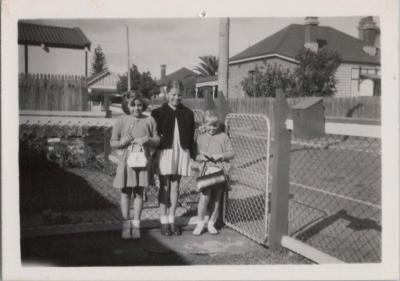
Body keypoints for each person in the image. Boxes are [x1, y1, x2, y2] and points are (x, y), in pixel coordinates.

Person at [110, 91, 160, 239]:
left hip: (142, 162)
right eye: (132, 105)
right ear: (127, 105)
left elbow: (157, 140)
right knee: (125, 192)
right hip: (126, 162)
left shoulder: (150, 120)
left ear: (143, 105)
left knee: (139, 193)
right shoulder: (121, 120)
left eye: (139, 105)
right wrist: (121, 143)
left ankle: (137, 224)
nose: (136, 108)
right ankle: (126, 224)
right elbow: (112, 142)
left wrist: (147, 139)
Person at [151, 80, 196, 236]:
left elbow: (191, 137)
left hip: (181, 151)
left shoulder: (188, 113)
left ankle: (172, 219)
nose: (176, 98)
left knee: (176, 186)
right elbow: (153, 136)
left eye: (179, 95)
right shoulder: (157, 113)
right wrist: (153, 155)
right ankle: (163, 221)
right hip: (165, 152)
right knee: (164, 186)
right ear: (166, 94)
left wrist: (195, 155)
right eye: (173, 94)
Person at [193, 110, 235, 235]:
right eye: (209, 125)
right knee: (204, 196)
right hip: (206, 171)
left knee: (217, 197)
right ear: (204, 125)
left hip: (220, 171)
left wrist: (220, 156)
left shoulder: (223, 136)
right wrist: (201, 157)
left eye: (215, 125)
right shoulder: (200, 138)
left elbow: (232, 153)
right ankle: (200, 223)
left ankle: (211, 223)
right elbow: (195, 155)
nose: (212, 128)